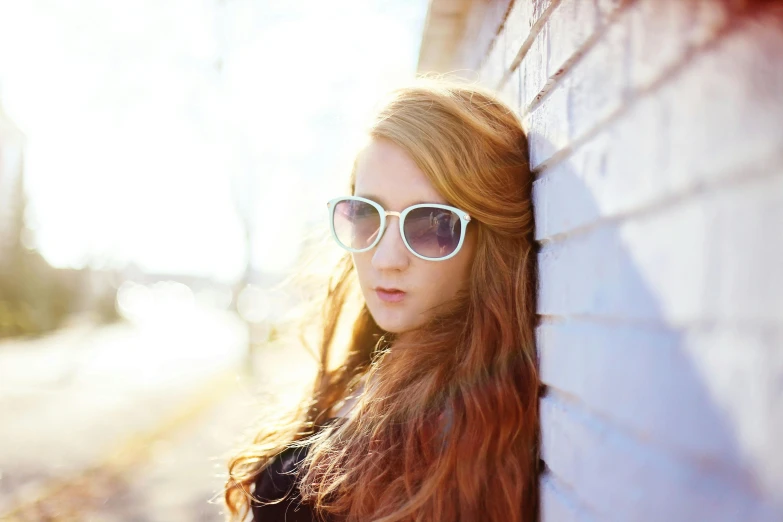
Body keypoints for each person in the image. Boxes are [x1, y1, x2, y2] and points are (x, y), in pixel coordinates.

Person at [224, 78, 541, 522]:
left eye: (431, 224)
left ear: (486, 242)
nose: (386, 258)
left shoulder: (461, 431)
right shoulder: (372, 363)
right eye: (366, 214)